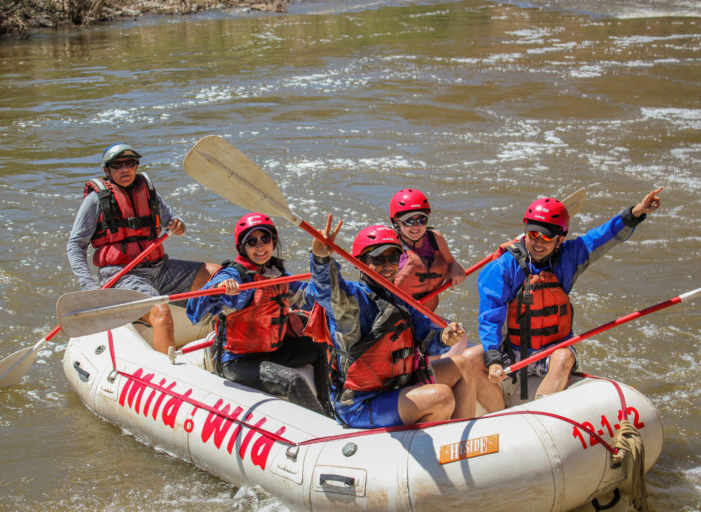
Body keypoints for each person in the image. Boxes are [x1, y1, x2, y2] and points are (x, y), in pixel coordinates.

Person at [464, 187, 663, 412]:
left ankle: (537, 413)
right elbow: (490, 318)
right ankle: (499, 415)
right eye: (533, 235)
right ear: (525, 232)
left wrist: (636, 212)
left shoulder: (571, 256)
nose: (539, 243)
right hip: (514, 351)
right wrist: (494, 360)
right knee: (470, 358)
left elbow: (603, 236)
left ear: (560, 239)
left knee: (564, 356)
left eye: (547, 237)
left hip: (551, 353)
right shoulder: (501, 269)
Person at [306, 216, 475, 428]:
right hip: (361, 404)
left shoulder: (400, 299)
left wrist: (445, 337)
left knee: (462, 365)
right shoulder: (351, 301)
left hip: (397, 388)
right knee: (440, 396)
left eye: (393, 258)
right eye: (377, 259)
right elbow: (325, 290)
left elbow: (428, 339)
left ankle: (463, 444)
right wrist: (320, 259)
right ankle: (435, 449)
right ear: (361, 263)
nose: (387, 266)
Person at [67, 143, 219, 356]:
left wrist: (178, 224)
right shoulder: (95, 201)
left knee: (217, 274)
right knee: (161, 312)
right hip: (122, 276)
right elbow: (75, 245)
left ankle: (232, 345)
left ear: (136, 166)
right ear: (107, 171)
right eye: (117, 165)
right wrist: (88, 286)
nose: (124, 169)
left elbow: (175, 221)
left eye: (129, 164)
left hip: (159, 268)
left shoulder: (148, 192)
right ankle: (169, 371)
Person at [185, 212, 329, 414]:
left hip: (272, 351)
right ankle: (319, 425)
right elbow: (195, 316)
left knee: (322, 346)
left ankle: (331, 410)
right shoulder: (233, 275)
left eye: (265, 239)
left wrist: (320, 259)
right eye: (252, 242)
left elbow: (316, 295)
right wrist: (217, 290)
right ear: (243, 247)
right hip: (237, 362)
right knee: (292, 379)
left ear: (273, 241)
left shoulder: (278, 274)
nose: (260, 246)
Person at [389, 188, 468, 357]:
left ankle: (443, 376)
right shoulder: (390, 250)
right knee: (430, 351)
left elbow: (451, 262)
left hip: (427, 316)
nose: (416, 226)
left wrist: (454, 267)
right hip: (399, 322)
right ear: (396, 221)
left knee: (460, 335)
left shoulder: (435, 239)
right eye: (408, 221)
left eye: (421, 219)